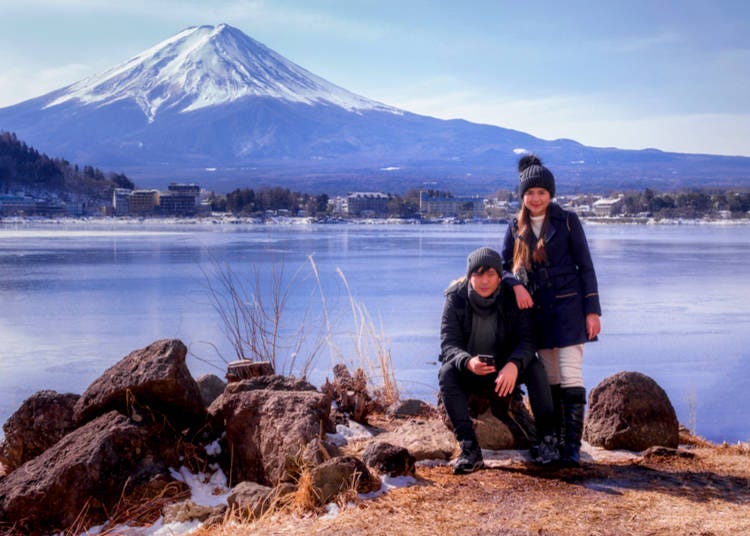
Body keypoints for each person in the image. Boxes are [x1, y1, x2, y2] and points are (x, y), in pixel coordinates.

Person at [501, 154, 602, 467]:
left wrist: (592, 311)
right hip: (538, 311)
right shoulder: (514, 227)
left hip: (570, 307)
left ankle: (572, 446)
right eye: (530, 193)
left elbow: (586, 267)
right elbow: (502, 267)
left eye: (541, 193)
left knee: (571, 373)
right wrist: (515, 285)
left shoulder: (568, 221)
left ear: (550, 194)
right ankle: (554, 441)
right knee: (550, 378)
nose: (535, 198)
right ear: (523, 196)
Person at [439, 247, 559, 474]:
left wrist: (514, 365)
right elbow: (448, 345)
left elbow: (528, 340)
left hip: (505, 370)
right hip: (471, 369)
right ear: (469, 276)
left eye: (490, 274)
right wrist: (467, 362)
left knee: (534, 367)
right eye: (478, 274)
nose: (484, 281)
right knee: (447, 373)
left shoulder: (512, 297)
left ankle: (547, 441)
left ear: (499, 276)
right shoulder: (455, 298)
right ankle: (470, 450)